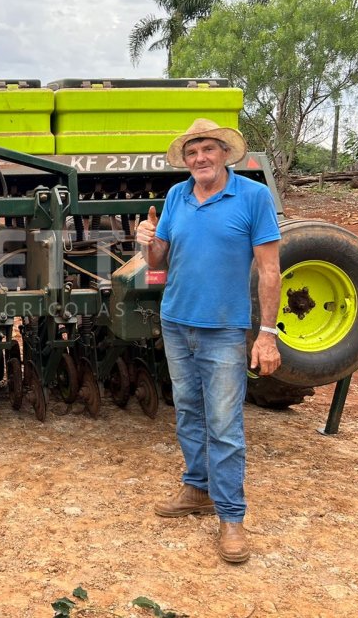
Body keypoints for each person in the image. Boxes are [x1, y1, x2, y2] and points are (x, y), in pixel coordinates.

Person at [135, 118, 282, 564]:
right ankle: (197, 488)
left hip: (223, 328)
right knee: (189, 412)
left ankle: (232, 517)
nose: (199, 158)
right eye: (192, 152)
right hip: (177, 320)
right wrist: (145, 241)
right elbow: (160, 257)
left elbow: (270, 271)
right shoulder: (177, 196)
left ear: (225, 154)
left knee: (225, 424)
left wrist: (268, 335)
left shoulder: (253, 197)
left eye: (208, 150)